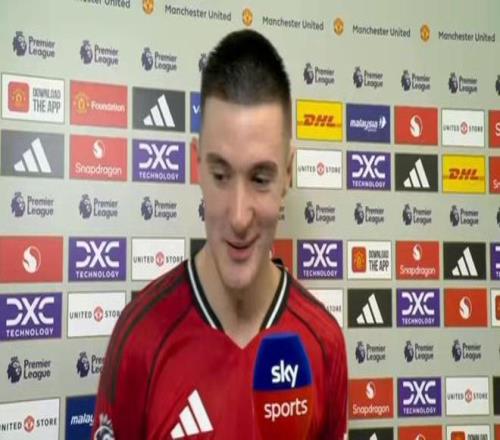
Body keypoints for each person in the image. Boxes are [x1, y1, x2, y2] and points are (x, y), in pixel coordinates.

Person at [92, 29, 347, 440]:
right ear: (196, 165)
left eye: (260, 178)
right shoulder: (139, 339)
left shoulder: (323, 342)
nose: (239, 216)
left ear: (288, 173)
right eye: (221, 175)